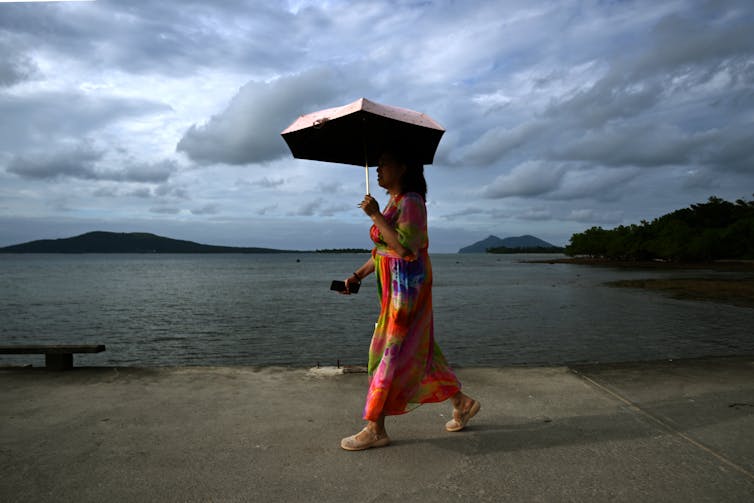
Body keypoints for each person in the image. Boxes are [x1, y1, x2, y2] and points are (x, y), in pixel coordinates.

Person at [339, 150, 480, 451]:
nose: (378, 170)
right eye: (376, 165)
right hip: (392, 290)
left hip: (407, 291)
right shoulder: (393, 201)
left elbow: (405, 250)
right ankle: (462, 402)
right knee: (419, 350)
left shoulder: (412, 202)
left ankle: (375, 428)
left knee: (385, 351)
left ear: (402, 167)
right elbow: (381, 251)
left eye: (383, 164)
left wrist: (375, 215)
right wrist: (357, 276)